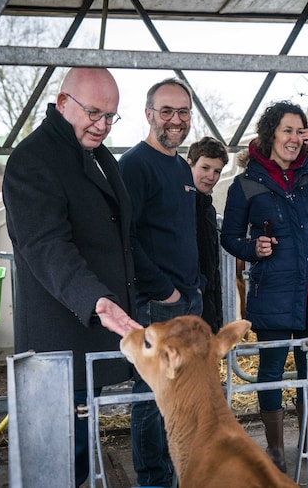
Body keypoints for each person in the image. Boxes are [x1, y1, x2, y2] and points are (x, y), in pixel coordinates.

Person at [2, 67, 143, 487]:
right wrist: (96, 300)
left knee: (80, 447)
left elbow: (118, 234)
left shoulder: (95, 154)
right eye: (94, 113)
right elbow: (47, 245)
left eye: (111, 116)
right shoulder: (33, 161)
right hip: (62, 338)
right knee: (60, 457)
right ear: (63, 103)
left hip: (90, 334)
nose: (102, 125)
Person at [220, 100, 308, 472]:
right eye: (287, 130)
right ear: (271, 134)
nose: (294, 139)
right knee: (270, 371)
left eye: (300, 131)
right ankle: (277, 451)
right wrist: (253, 248)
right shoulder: (246, 183)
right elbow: (230, 237)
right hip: (275, 292)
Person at [118, 77, 202, 488]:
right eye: (166, 111)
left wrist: (195, 287)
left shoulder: (179, 164)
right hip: (158, 304)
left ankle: (176, 474)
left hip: (187, 301)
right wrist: (164, 290)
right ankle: (154, 481)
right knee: (153, 400)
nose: (175, 119)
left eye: (182, 112)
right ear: (149, 114)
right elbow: (126, 239)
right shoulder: (134, 166)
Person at [186, 136, 229, 333]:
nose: (211, 176)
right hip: (186, 302)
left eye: (217, 171)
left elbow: (212, 265)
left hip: (206, 301)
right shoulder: (179, 205)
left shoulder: (208, 209)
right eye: (205, 168)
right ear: (190, 165)